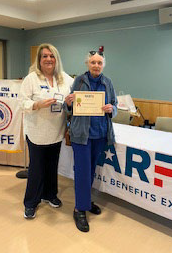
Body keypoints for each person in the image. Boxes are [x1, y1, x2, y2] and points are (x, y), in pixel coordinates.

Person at [20, 44, 75, 219]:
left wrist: (70, 101)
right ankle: (31, 203)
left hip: (56, 131)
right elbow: (22, 102)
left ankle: (50, 194)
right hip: (36, 132)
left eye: (52, 56)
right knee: (36, 169)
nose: (49, 59)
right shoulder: (31, 79)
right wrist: (37, 104)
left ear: (56, 59)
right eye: (44, 56)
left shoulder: (65, 79)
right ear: (39, 60)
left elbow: (73, 98)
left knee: (52, 166)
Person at [65, 50, 117, 232]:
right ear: (87, 64)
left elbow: (115, 106)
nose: (96, 65)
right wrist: (69, 103)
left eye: (99, 63)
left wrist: (111, 109)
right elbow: (69, 108)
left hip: (100, 135)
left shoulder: (107, 82)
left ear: (103, 65)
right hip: (81, 135)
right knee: (82, 172)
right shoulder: (79, 80)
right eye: (93, 62)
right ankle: (79, 209)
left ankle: (85, 202)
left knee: (91, 171)